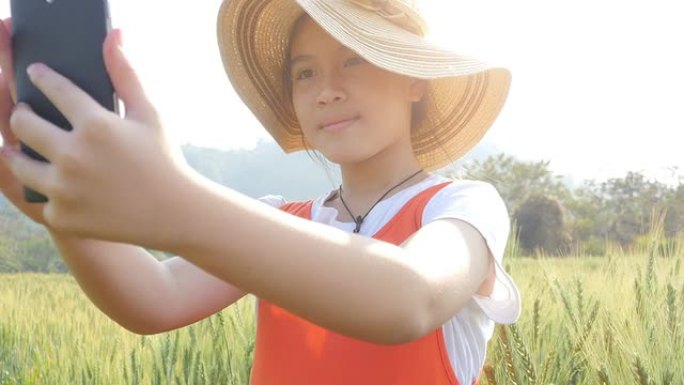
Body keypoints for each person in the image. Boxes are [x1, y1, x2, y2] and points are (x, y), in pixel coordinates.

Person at [0, 0, 521, 384]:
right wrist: (52, 198)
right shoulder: (279, 217)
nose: (326, 89)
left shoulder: (461, 206)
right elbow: (153, 299)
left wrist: (173, 196)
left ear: (415, 80)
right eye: (305, 73)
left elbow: (411, 298)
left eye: (354, 60)